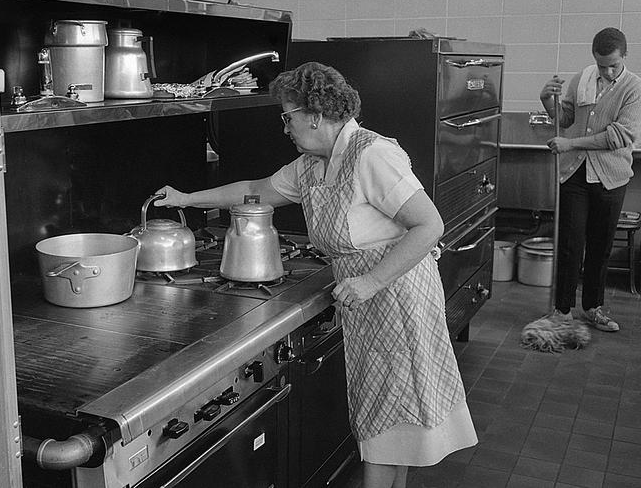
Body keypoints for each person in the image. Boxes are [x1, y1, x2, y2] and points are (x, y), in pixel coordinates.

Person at [154, 62, 477, 488]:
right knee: (391, 420)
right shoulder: (311, 165)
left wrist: (370, 281)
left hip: (400, 297)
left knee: (387, 421)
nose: (284, 127)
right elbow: (255, 188)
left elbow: (429, 225)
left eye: (287, 116)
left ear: (315, 115)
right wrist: (187, 197)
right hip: (365, 302)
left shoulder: (371, 154)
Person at [539, 27, 641, 332]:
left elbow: (619, 136)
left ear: (625, 55)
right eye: (601, 65)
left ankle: (593, 307)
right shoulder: (582, 78)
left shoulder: (634, 88)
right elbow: (566, 119)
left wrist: (570, 144)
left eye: (613, 64)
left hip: (611, 177)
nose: (607, 71)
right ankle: (562, 311)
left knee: (600, 245)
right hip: (575, 172)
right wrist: (547, 100)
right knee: (570, 244)